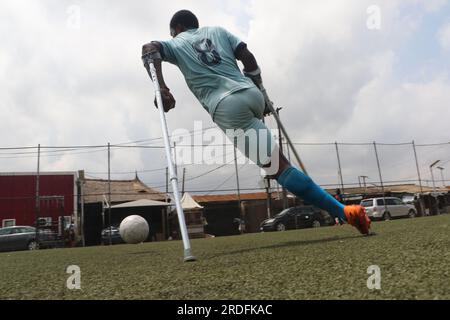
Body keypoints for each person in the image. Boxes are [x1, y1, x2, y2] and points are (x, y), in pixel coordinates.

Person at [142, 10, 371, 235]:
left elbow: (149, 49)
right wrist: (259, 90)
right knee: (279, 164)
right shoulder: (218, 31)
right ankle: (342, 211)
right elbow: (247, 57)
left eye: (173, 33)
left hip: (227, 106)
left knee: (279, 169)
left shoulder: (176, 42)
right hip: (251, 93)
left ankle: (346, 212)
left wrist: (161, 87)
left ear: (177, 29)